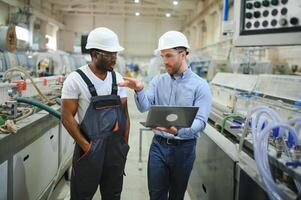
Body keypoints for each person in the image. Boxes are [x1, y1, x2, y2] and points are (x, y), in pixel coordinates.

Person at [118, 31, 212, 200]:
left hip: (184, 149)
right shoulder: (157, 81)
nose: (164, 61)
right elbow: (144, 107)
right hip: (158, 147)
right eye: (163, 56)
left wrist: (178, 131)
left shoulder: (200, 86)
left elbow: (201, 122)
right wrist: (139, 89)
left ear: (183, 55)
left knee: (176, 196)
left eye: (168, 56)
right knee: (156, 195)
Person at [61, 27, 130, 200]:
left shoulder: (118, 79)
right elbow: (67, 118)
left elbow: (125, 116)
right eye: (108, 54)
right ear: (94, 53)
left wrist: (123, 145)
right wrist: (87, 147)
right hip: (89, 149)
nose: (114, 58)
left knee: (113, 195)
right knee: (81, 195)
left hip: (115, 150)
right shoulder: (76, 79)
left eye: (115, 53)